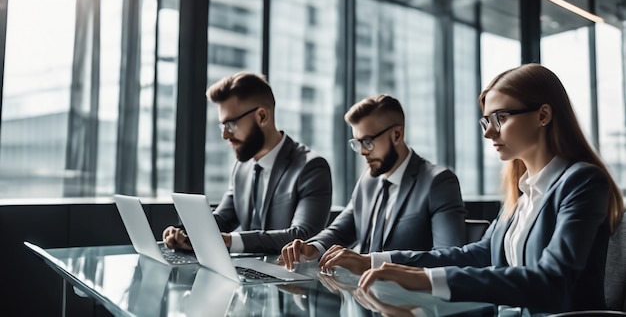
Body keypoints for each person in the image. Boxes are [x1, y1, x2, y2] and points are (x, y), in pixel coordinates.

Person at [325, 63, 624, 314]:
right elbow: (476, 254)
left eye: (501, 118)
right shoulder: (523, 192)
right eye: (486, 122)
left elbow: (552, 280)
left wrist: (427, 280)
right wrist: (374, 260)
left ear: (543, 116)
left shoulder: (582, 182)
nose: (489, 132)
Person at [280, 94, 466, 272]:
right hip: (365, 296)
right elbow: (340, 231)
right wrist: (313, 247)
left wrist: (375, 263)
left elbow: (447, 257)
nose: (362, 151)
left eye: (367, 142)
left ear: (397, 135)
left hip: (412, 300)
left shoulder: (438, 183)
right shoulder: (368, 180)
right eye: (357, 143)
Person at [162, 72, 332, 254]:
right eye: (223, 126)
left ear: (262, 117)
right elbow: (223, 218)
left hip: (292, 278)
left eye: (231, 125)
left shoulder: (311, 168)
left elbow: (302, 236)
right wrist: (182, 233)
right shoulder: (242, 168)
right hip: (248, 275)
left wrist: (229, 241)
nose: (225, 136)